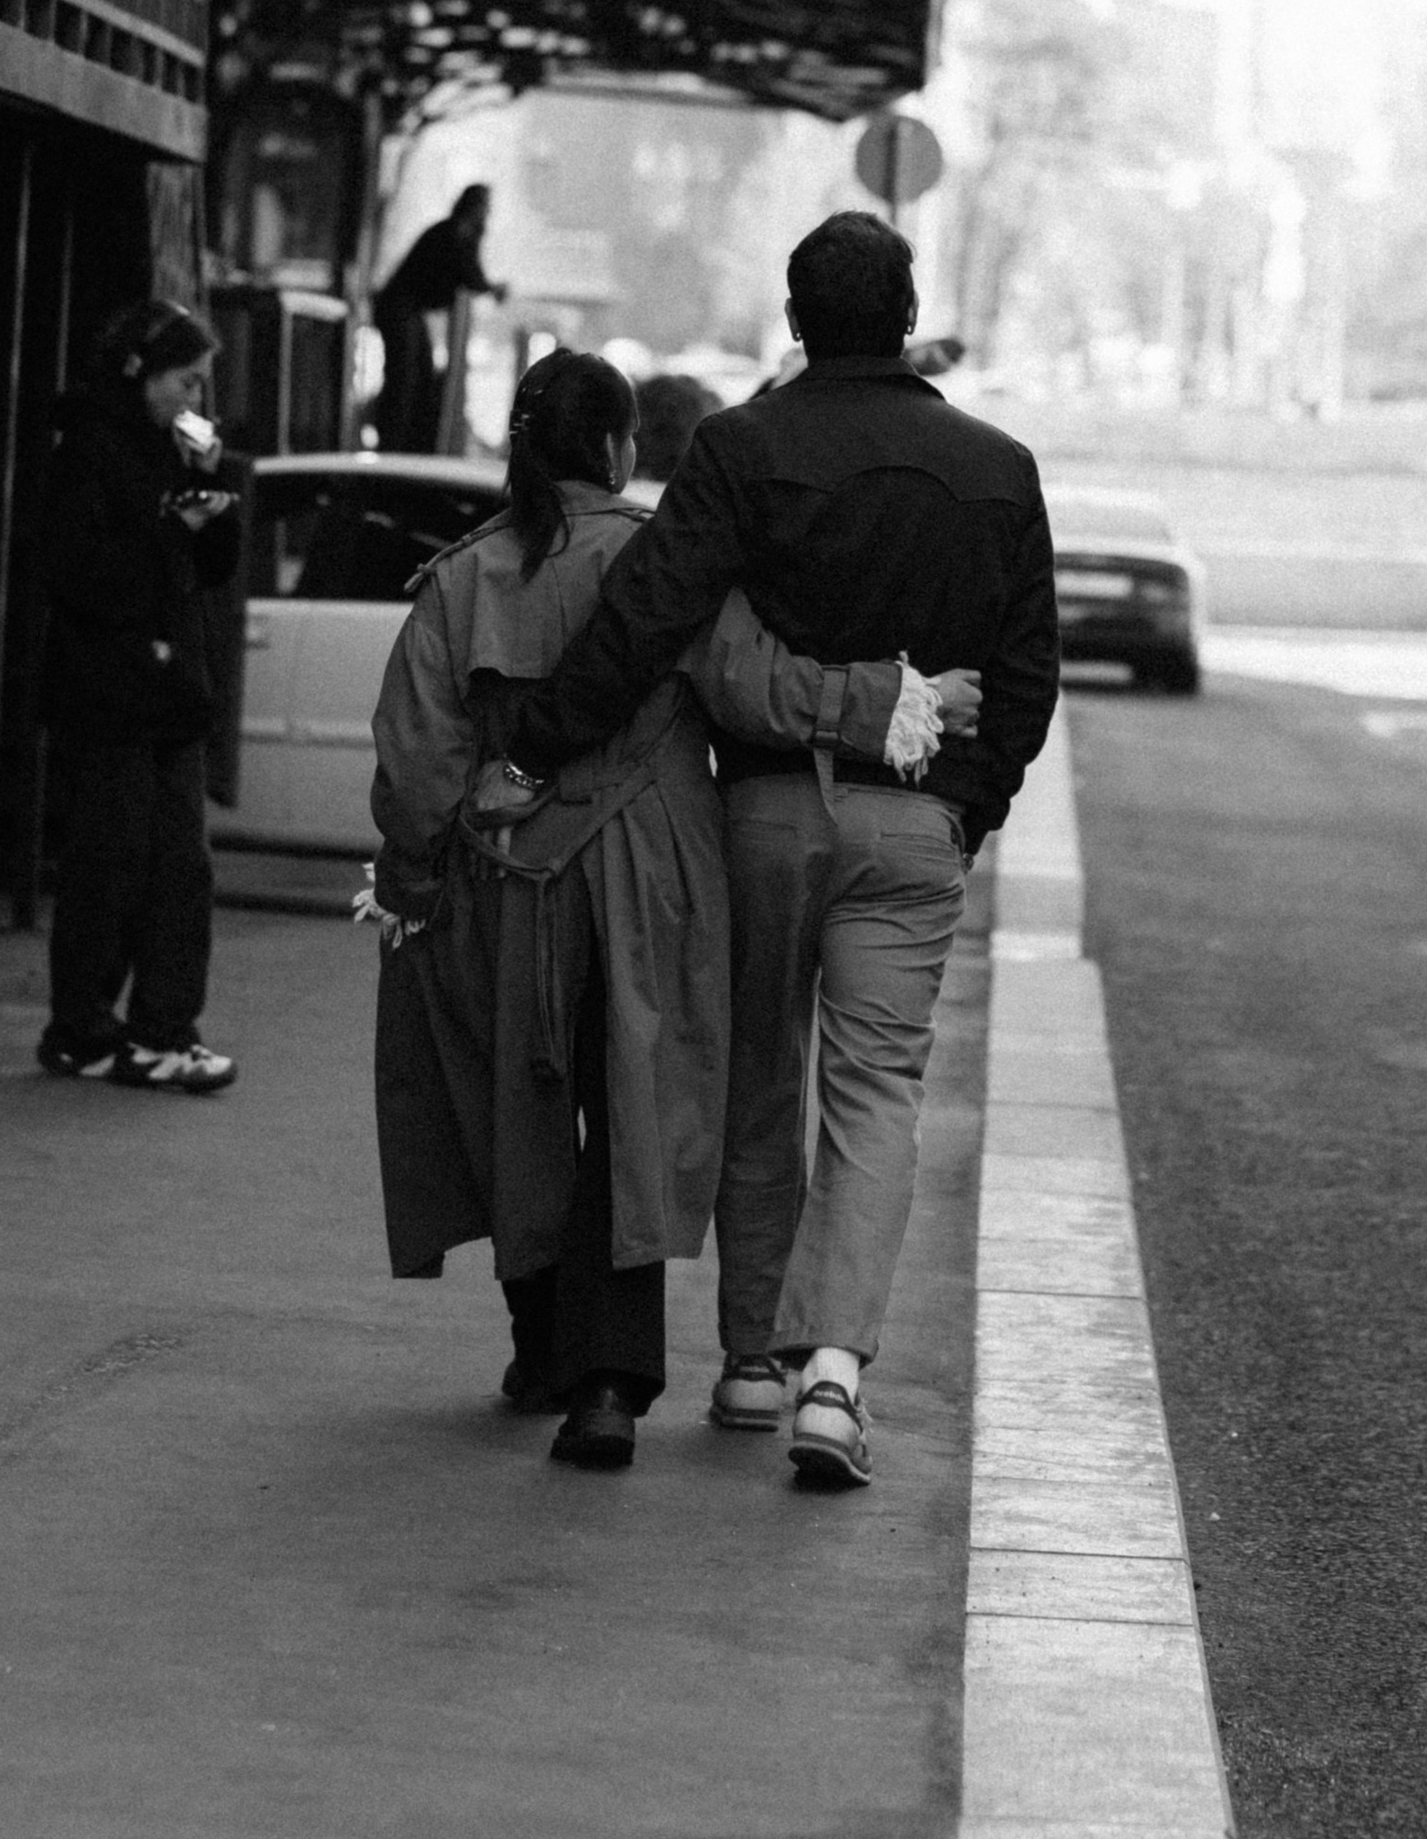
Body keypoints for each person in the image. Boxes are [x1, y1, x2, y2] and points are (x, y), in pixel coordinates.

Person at [493, 212, 1060, 1495]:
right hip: (912, 821)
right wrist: (964, 809)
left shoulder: (744, 449)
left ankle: (749, 1360)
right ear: (907, 317)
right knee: (875, 1098)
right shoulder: (999, 467)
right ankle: (834, 1378)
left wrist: (532, 748)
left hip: (759, 816)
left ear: (797, 320)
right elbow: (1027, 671)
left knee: (755, 1074)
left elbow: (648, 614)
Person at [365, 347, 926, 1470]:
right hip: (656, 876)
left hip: (505, 879)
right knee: (633, 1112)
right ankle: (609, 1389)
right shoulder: (661, 557)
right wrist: (885, 702)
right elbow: (753, 683)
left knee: (521, 1114)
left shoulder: (462, 578)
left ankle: (541, 1351)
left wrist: (417, 875)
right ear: (620, 450)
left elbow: (417, 760)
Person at [35, 298, 243, 1090]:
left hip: (170, 694)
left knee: (175, 869)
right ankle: (99, 1027)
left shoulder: (169, 452)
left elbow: (213, 568)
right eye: (186, 380)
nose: (195, 398)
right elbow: (81, 576)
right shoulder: (87, 453)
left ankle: (147, 1029)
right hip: (113, 694)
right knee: (114, 867)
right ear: (141, 373)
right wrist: (171, 530)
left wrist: (210, 490)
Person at [373, 185, 505, 452]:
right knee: (405, 376)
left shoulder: (457, 233)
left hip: (410, 308)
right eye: (485, 207)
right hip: (401, 306)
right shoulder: (453, 232)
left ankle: (405, 442)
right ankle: (393, 442)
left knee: (420, 372)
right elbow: (468, 273)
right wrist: (491, 288)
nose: (487, 214)